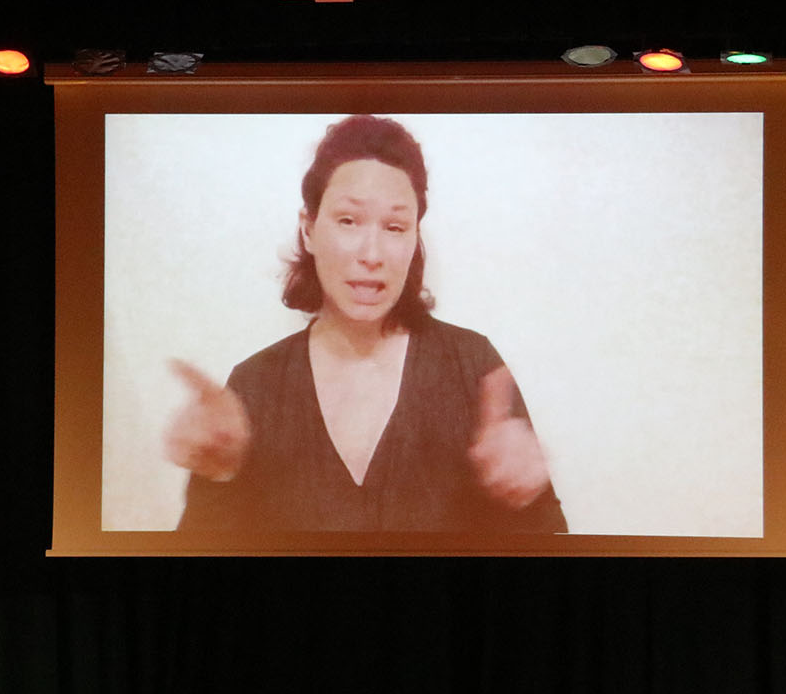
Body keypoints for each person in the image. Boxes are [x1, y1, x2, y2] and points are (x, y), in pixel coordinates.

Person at [166, 115, 567, 534]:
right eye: (348, 220)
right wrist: (221, 478)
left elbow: (553, 542)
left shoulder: (473, 368)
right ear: (309, 230)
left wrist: (523, 499)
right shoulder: (255, 386)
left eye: (395, 227)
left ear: (413, 239)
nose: (372, 254)